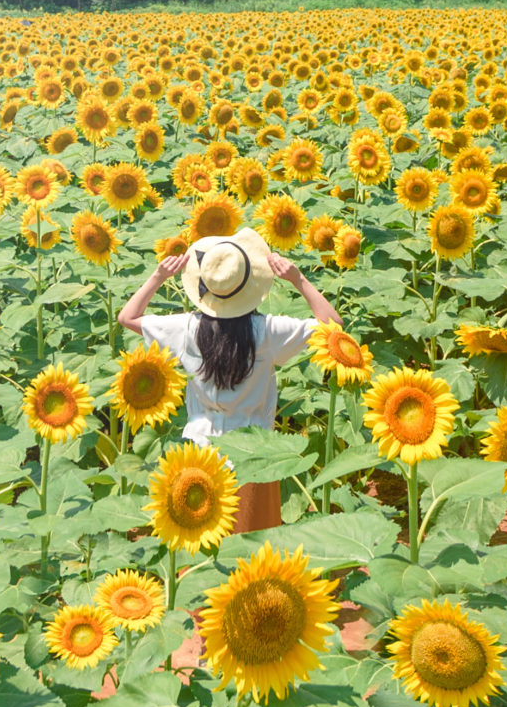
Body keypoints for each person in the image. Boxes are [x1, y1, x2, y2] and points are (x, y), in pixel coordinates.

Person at [119, 225, 341, 534]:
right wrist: (298, 279)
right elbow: (333, 326)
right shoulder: (266, 332)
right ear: (250, 283)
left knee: (198, 550)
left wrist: (158, 276)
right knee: (250, 556)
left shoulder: (186, 329)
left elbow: (127, 317)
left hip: (198, 453)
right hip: (255, 456)